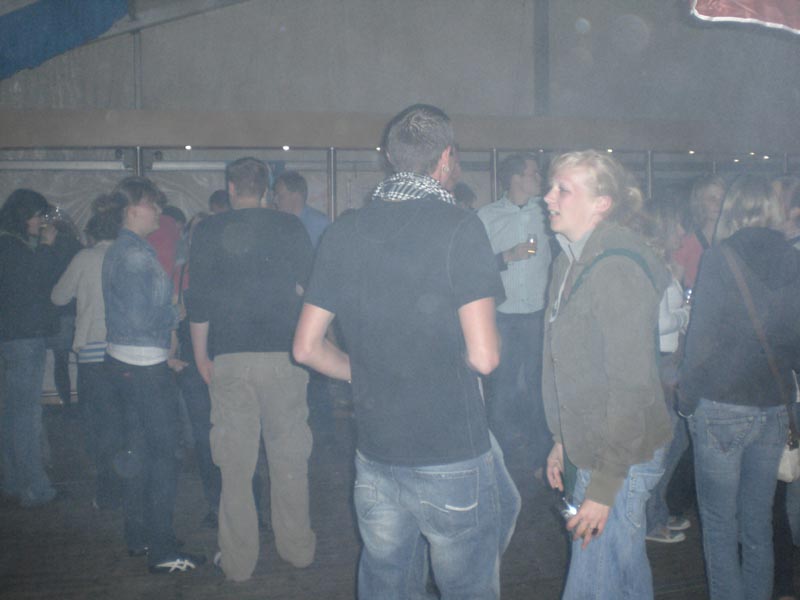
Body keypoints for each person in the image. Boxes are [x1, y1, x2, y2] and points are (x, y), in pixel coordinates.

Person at [293, 104, 520, 599]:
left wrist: (361, 373)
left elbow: (307, 347)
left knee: (389, 583)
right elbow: (484, 357)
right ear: (446, 158)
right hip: (450, 449)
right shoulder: (460, 226)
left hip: (377, 451)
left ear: (391, 158)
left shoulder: (344, 230)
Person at [542, 150, 672, 599]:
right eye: (551, 186)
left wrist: (603, 486)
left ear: (601, 203)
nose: (547, 197)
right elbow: (569, 363)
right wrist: (561, 438)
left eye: (562, 189)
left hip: (620, 453)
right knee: (622, 568)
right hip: (595, 442)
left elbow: (631, 386)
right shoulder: (568, 260)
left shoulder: (616, 268)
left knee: (593, 583)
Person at [189, 157, 316, 582]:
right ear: (266, 189)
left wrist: (201, 355)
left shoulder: (208, 230)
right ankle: (297, 549)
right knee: (289, 458)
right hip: (284, 356)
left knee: (235, 466)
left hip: (230, 357)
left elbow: (198, 301)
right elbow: (311, 290)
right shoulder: (290, 227)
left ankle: (239, 562)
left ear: (230, 187)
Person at [679, 174, 800, 600]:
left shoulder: (719, 257)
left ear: (732, 209)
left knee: (719, 526)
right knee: (757, 524)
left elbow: (701, 337)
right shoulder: (792, 258)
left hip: (722, 403)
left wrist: (686, 399)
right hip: (773, 404)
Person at [102, 176, 204, 574]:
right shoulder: (134, 256)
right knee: (164, 457)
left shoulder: (123, 249)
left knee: (139, 453)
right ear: (132, 210)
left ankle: (140, 535)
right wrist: (175, 312)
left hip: (128, 363)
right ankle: (162, 548)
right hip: (143, 366)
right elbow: (142, 318)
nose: (159, 211)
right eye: (153, 204)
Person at [477, 152, 552, 472]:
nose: (539, 179)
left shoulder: (548, 212)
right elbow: (475, 266)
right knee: (502, 390)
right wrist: (507, 256)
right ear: (516, 178)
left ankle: (543, 459)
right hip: (503, 315)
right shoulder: (487, 216)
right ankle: (500, 459)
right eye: (534, 173)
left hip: (538, 312)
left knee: (539, 389)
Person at [51, 196, 125, 509]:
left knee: (100, 427)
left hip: (93, 356)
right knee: (125, 424)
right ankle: (129, 489)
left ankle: (108, 495)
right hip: (126, 352)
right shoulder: (128, 255)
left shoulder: (85, 257)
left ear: (92, 235)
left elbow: (58, 297)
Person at [0, 189, 61, 507]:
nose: (41, 221)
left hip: (15, 336)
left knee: (13, 413)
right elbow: (34, 282)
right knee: (24, 415)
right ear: (23, 215)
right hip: (23, 337)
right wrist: (48, 246)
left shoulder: (10, 244)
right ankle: (35, 487)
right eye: (38, 215)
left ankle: (13, 480)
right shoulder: (11, 245)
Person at [673, 174, 725, 290]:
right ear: (699, 203)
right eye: (712, 199)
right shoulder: (686, 243)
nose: (718, 204)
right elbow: (674, 285)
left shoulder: (734, 241)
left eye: (722, 198)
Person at [273, 170, 330, 247]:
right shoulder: (278, 224)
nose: (275, 201)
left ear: (295, 196)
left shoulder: (319, 223)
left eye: (280, 196)